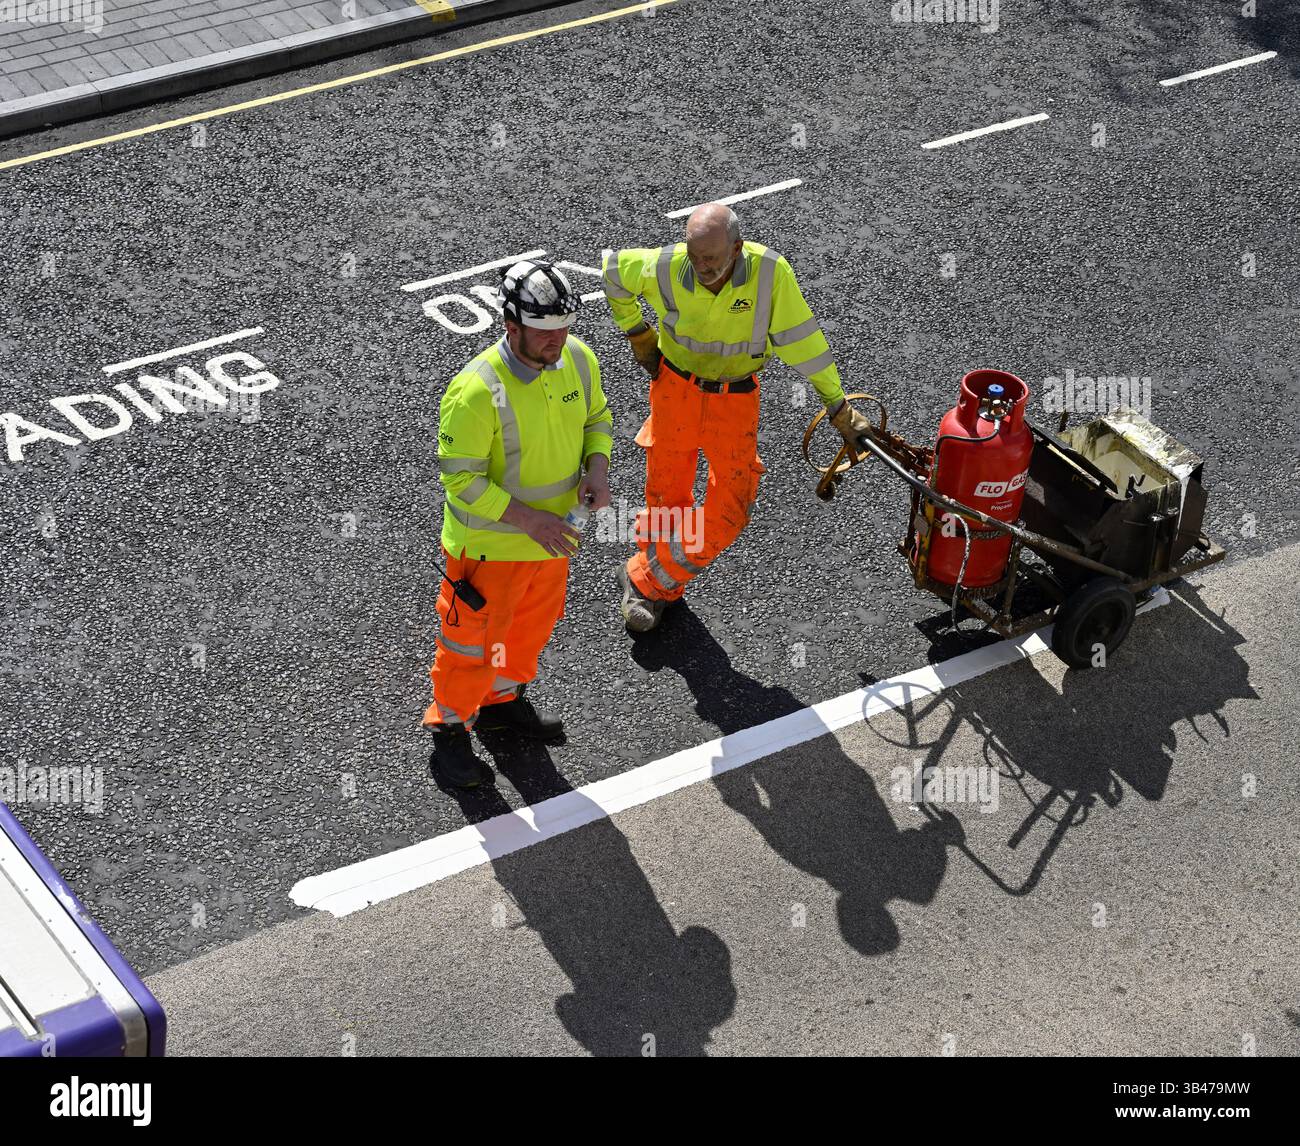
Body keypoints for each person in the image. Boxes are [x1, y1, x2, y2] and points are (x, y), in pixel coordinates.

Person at [602, 203, 872, 632]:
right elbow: (613, 270)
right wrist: (637, 331)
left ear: (737, 248)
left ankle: (643, 577)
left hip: (735, 398)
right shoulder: (669, 265)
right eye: (694, 255)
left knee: (732, 507)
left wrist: (837, 405)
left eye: (710, 258)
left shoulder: (769, 274)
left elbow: (803, 342)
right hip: (674, 390)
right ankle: (657, 592)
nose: (701, 267)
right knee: (666, 495)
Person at [423, 259, 612, 788]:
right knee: (469, 648)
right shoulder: (476, 391)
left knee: (529, 633)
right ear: (511, 326)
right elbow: (460, 481)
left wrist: (597, 467)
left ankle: (502, 699)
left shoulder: (575, 358)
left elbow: (597, 418)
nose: (557, 341)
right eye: (545, 332)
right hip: (490, 549)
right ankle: (450, 733)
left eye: (564, 329)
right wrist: (530, 521)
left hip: (550, 541)